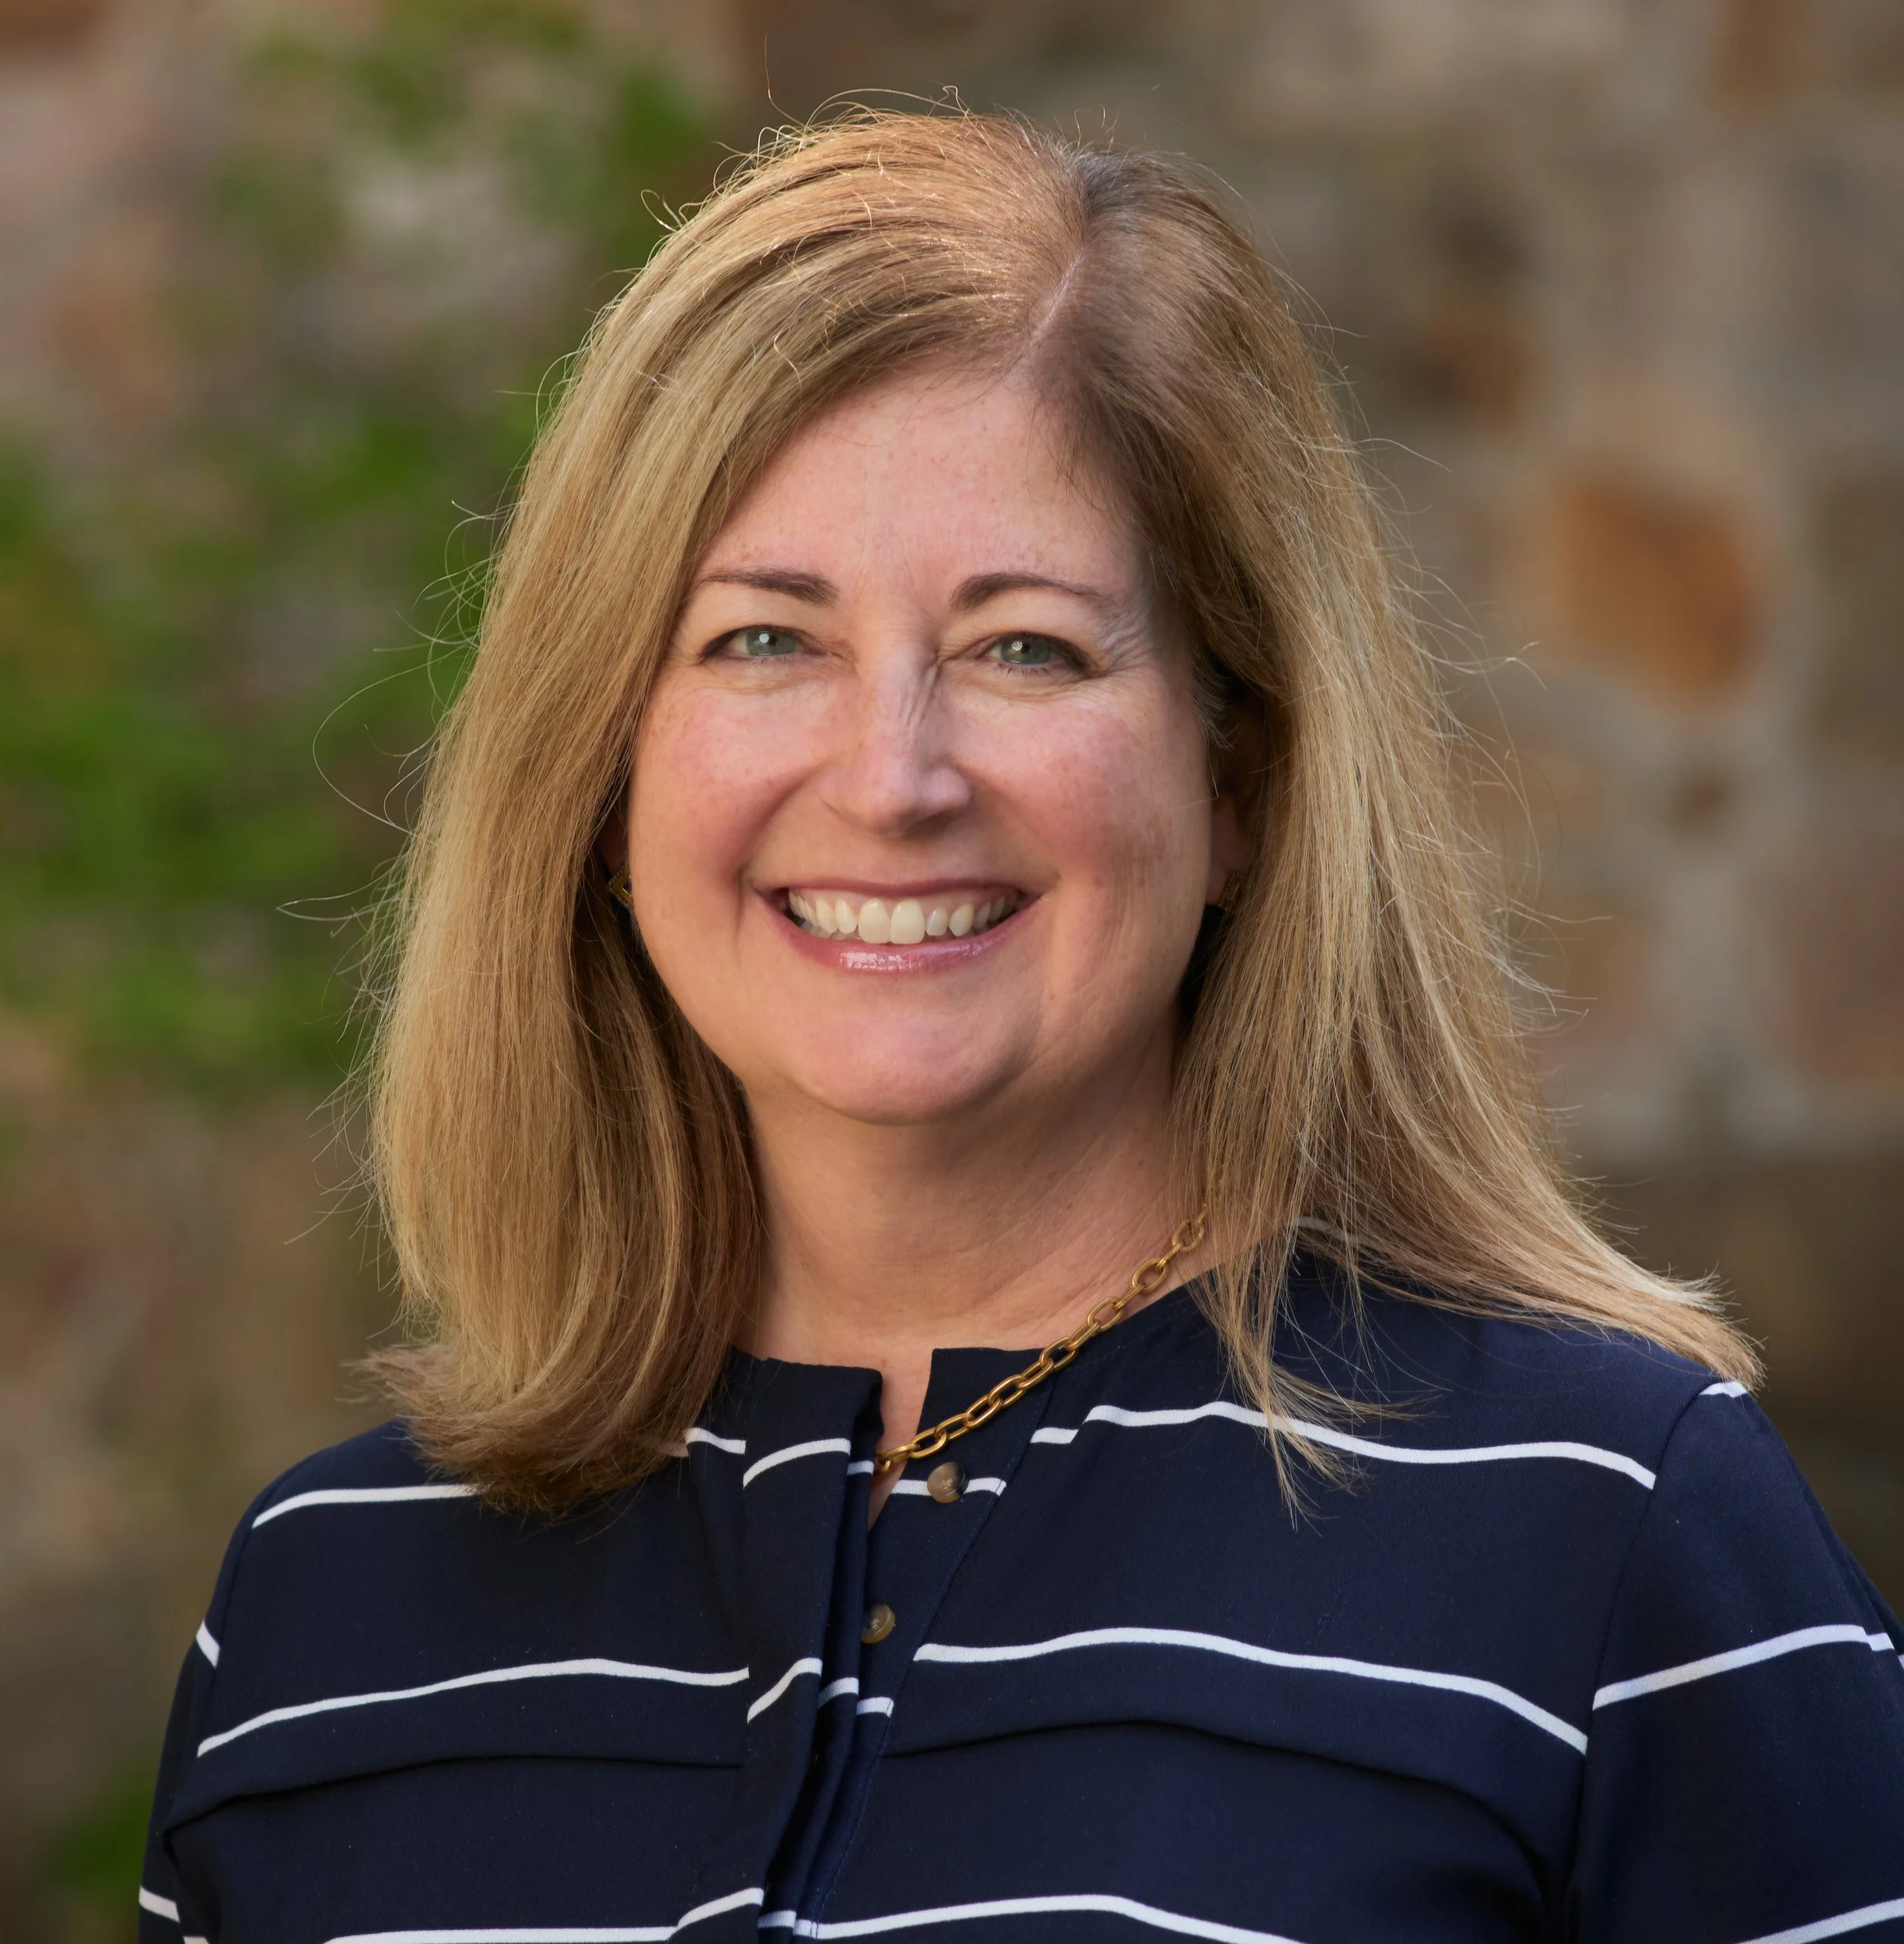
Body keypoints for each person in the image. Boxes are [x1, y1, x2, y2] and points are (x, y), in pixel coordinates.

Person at [138, 112, 1904, 1944]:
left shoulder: (1604, 1529)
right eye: (762, 640)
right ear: (600, 769)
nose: (892, 778)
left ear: (1241, 779)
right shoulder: (318, 1619)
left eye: (1024, 648)